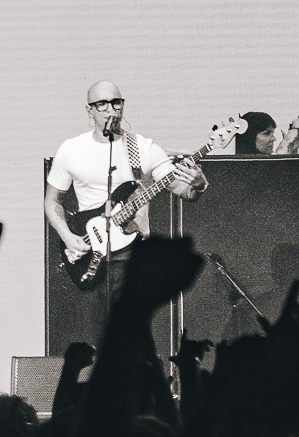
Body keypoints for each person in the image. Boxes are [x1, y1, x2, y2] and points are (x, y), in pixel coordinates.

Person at [44, 81, 206, 343]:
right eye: (102, 104)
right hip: (87, 253)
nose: (110, 110)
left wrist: (198, 184)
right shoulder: (72, 149)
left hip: (131, 257)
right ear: (89, 110)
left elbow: (183, 190)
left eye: (116, 103)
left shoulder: (143, 148)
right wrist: (67, 236)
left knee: (131, 341)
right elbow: (52, 200)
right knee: (90, 343)